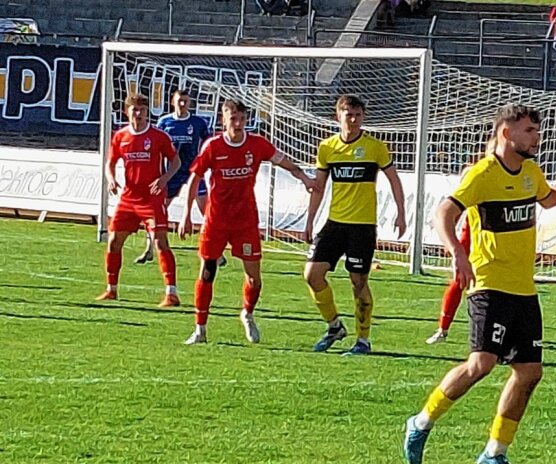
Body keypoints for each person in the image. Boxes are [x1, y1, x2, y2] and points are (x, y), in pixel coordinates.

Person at [403, 104, 556, 464]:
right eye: (529, 131)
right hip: (489, 284)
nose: (536, 138)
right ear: (507, 133)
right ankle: (421, 421)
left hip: (524, 289)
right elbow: (442, 214)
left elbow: (548, 198)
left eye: (537, 131)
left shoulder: (529, 171)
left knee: (529, 372)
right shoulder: (482, 174)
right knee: (481, 365)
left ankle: (494, 452)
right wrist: (458, 255)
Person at [178, 99, 315, 346]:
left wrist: (305, 178)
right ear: (224, 120)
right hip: (216, 221)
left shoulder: (256, 144)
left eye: (242, 119)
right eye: (233, 119)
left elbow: (284, 162)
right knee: (207, 272)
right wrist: (186, 215)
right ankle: (200, 329)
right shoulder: (213, 146)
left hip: (246, 222)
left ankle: (247, 313)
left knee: (254, 278)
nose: (238, 124)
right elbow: (194, 179)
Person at [304, 95, 408, 355]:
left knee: (358, 282)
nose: (353, 120)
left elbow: (394, 180)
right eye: (348, 114)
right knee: (312, 275)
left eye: (358, 115)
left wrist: (401, 213)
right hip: (334, 223)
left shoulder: (375, 147)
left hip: (361, 226)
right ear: (337, 115)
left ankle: (363, 340)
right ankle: (334, 326)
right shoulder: (327, 148)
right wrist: (309, 221)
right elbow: (318, 187)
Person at [99, 94, 181, 306]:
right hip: (129, 197)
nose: (139, 114)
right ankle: (111, 289)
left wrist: (164, 179)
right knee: (114, 241)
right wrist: (111, 179)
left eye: (143, 110)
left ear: (147, 112)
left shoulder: (158, 136)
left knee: (160, 242)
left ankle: (171, 293)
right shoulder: (120, 136)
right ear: (127, 111)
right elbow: (110, 162)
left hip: (152, 199)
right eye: (135, 109)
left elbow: (176, 161)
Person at [424, 137, 497, 346]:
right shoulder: (474, 172)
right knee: (459, 280)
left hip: (497, 237)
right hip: (472, 233)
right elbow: (458, 203)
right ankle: (442, 328)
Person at [135, 89, 213, 267]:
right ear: (173, 102)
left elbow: (208, 143)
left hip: (194, 172)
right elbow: (156, 145)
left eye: (186, 101)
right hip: (171, 173)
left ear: (190, 103)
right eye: (180, 101)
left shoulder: (198, 123)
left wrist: (205, 162)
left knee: (207, 212)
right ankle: (149, 249)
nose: (183, 104)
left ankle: (214, 251)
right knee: (156, 212)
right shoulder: (165, 122)